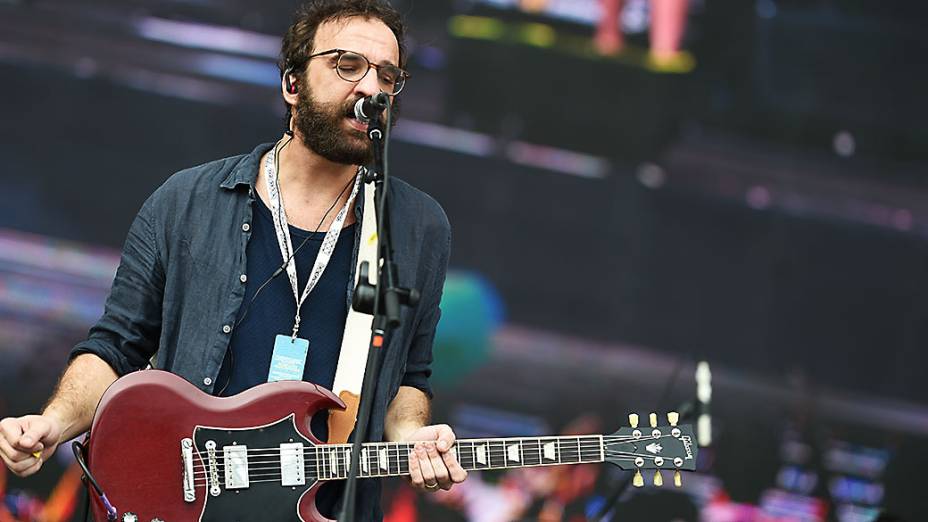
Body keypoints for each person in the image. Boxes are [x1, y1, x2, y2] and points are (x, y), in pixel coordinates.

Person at [0, 0, 466, 519]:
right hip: (184, 502)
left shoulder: (417, 227)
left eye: (387, 75)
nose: (371, 89)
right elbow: (117, 346)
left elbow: (407, 379)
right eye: (347, 65)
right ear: (292, 83)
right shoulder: (187, 201)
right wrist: (54, 421)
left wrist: (415, 440)